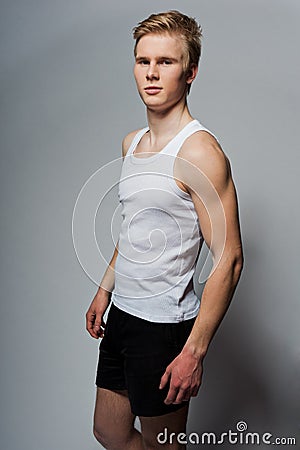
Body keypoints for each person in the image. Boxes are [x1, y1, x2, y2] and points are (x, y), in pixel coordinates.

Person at [86, 10, 244, 450]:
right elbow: (136, 227)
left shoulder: (201, 152)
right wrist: (105, 290)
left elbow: (229, 259)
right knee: (109, 431)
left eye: (166, 62)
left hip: (164, 328)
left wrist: (193, 351)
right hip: (123, 316)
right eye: (143, 61)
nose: (152, 73)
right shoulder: (132, 142)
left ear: (190, 72)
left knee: (163, 447)